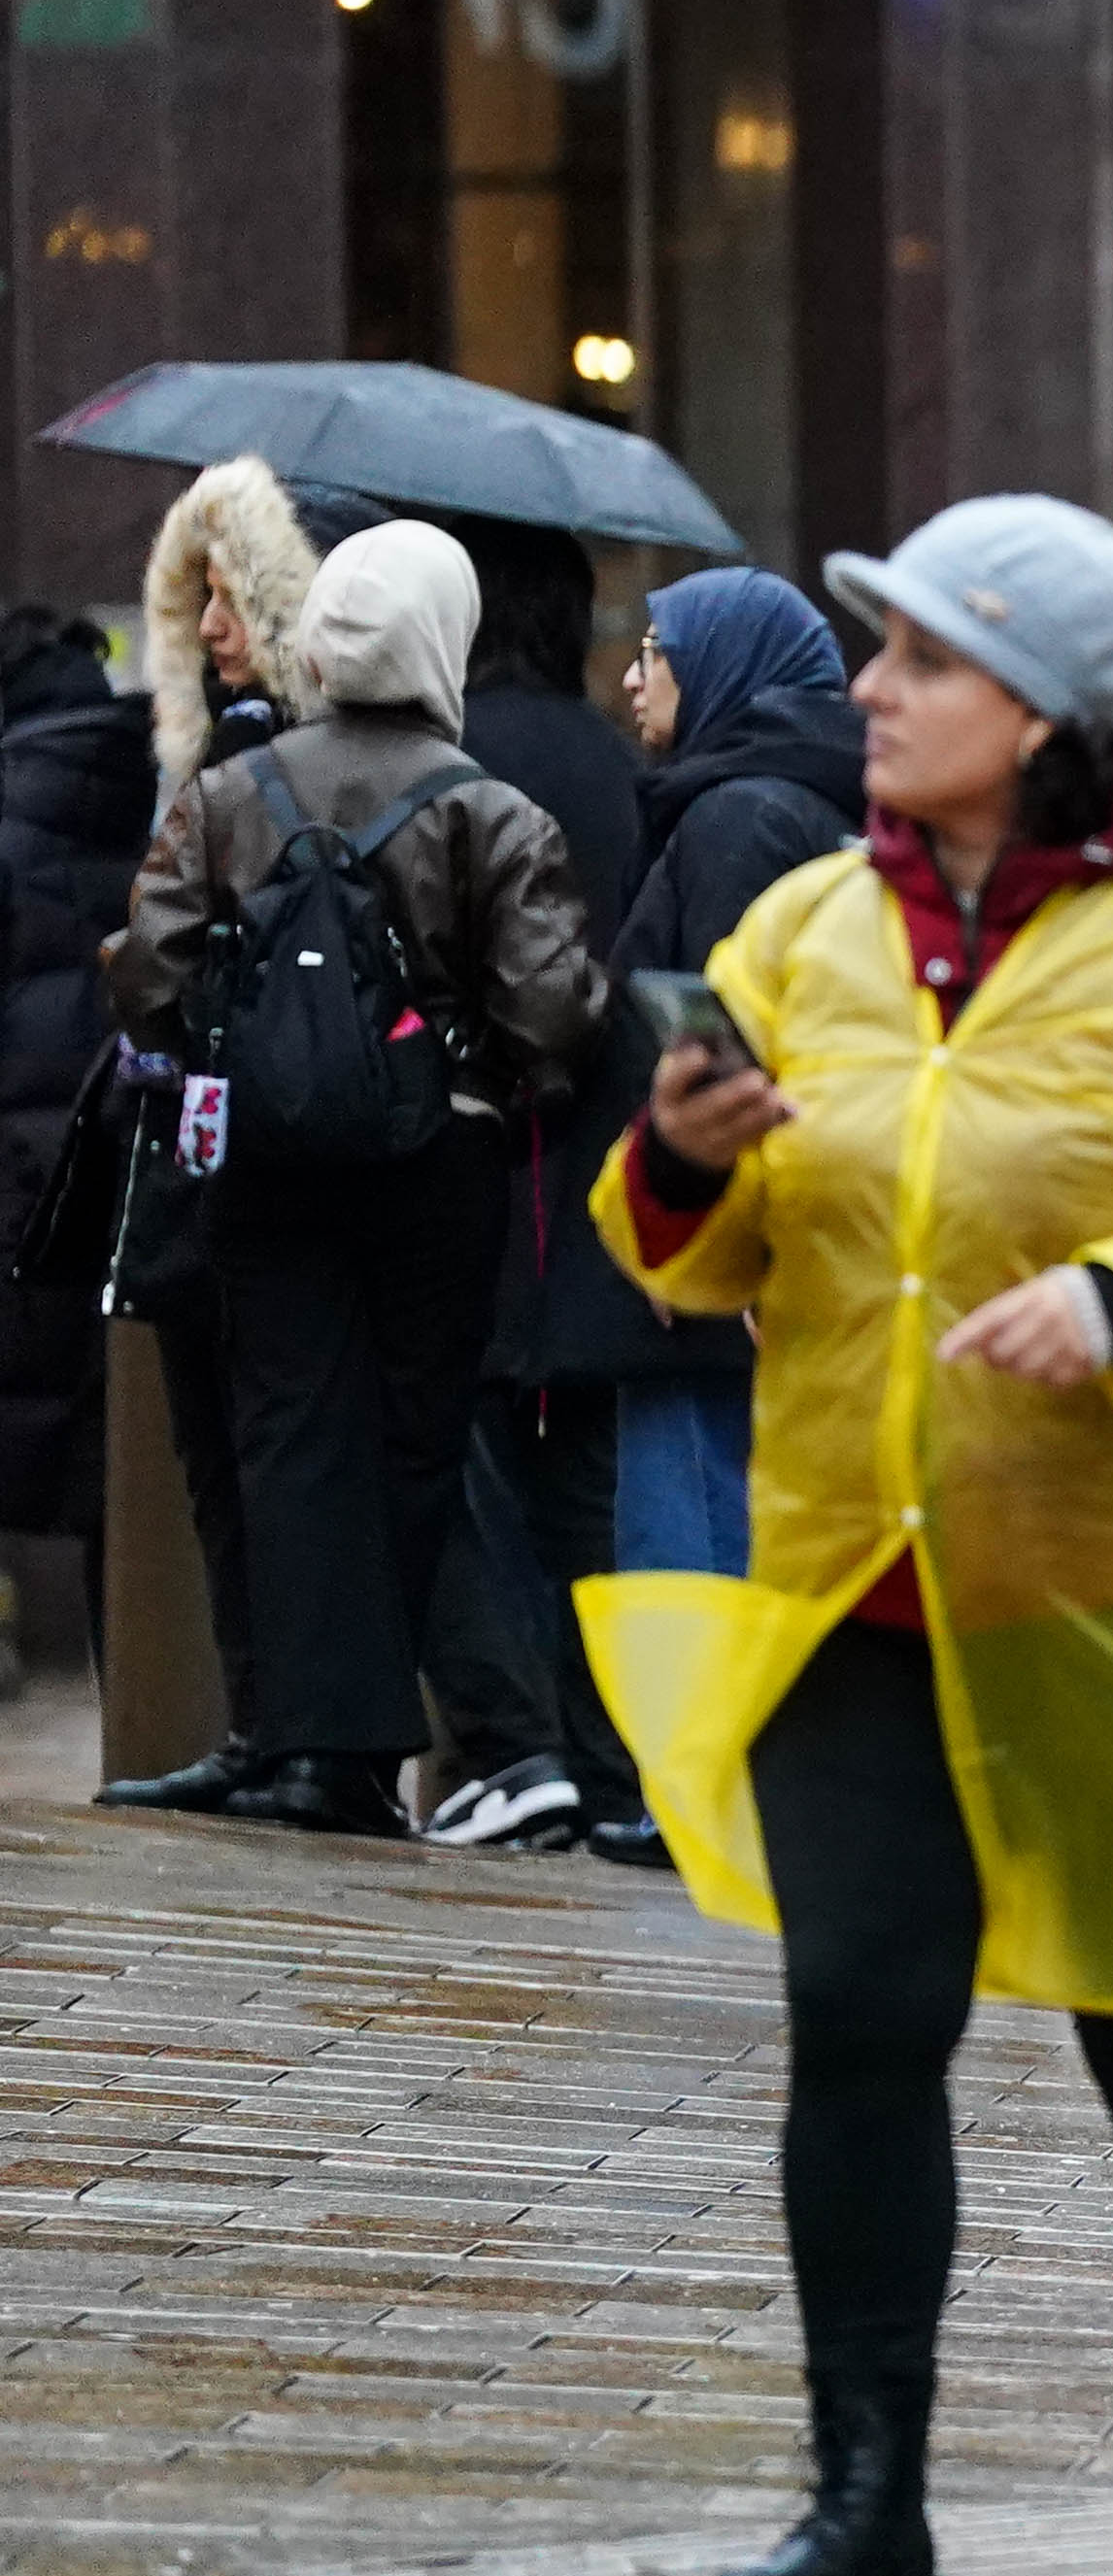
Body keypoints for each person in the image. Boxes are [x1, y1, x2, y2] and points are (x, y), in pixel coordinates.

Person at [584, 494, 1113, 2576]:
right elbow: (699, 1249)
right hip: (858, 1576)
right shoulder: (807, 934)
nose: (873, 693)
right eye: (873, 655)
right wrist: (675, 1162)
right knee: (857, 2022)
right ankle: (869, 2509)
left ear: (1047, 707)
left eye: (923, 659)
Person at [104, 522, 605, 1839]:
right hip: (437, 1165)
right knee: (410, 1441)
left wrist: (244, 1048)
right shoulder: (494, 814)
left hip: (263, 1166)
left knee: (284, 1435)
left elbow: (144, 969)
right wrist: (480, 1074)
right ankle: (365, 1751)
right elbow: (554, 1013)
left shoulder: (231, 792)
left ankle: (298, 1740)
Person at [90, 456, 351, 1817]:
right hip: (221, 1140)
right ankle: (271, 1730)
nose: (206, 627)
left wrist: (139, 957)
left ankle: (280, 1732)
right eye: (190, 599)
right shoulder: (213, 761)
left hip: (245, 1151)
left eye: (228, 597)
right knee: (236, 1453)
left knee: (253, 1452)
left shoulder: (270, 771)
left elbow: (186, 958)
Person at [422, 519, 658, 1856]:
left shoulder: (462, 761)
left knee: (469, 1454)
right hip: (608, 1170)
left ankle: (516, 1751)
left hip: (491, 1159)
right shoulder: (612, 764)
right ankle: (606, 1755)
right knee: (582, 1481)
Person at [597, 570, 867, 1638]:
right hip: (739, 1246)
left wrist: (693, 1208)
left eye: (655, 650)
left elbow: (718, 1038)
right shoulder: (783, 803)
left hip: (709, 1256)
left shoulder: (737, 817)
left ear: (721, 668)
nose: (631, 676)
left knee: (695, 1549)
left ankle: (695, 1800)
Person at [0, 607, 151, 1653]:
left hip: (13, 1194)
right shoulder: (173, 801)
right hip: (125, 1181)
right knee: (125, 1473)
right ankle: (136, 1696)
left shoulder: (9, 829)